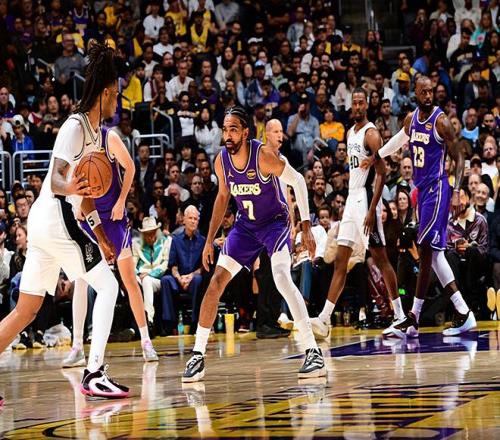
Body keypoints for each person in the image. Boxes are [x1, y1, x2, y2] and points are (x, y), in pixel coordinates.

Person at [0, 42, 129, 405]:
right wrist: (71, 186)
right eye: (116, 94)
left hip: (45, 223)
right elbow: (57, 178)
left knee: (26, 310)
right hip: (55, 215)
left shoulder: (95, 134)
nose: (118, 101)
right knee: (108, 287)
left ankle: (94, 371)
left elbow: (86, 198)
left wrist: (101, 235)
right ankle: (95, 373)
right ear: (106, 92)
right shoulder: (75, 126)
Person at [182, 106, 325, 383]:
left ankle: (312, 351)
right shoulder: (221, 161)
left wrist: (306, 226)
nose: (228, 135)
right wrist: (209, 240)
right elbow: (222, 197)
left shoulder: (263, 156)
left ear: (246, 132)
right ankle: (197, 354)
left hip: (275, 223)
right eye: (225, 130)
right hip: (246, 227)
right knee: (216, 282)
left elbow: (298, 180)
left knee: (281, 276)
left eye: (233, 130)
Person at [373, 76, 476, 338]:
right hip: (422, 192)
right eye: (424, 92)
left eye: (431, 92)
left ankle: (413, 317)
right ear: (416, 94)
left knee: (425, 249)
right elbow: (398, 140)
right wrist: (377, 155)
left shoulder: (441, 122)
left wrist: (456, 191)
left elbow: (459, 156)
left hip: (438, 189)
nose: (428, 96)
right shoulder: (411, 120)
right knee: (436, 255)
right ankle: (464, 312)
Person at [309, 88, 405, 339]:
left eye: (362, 102)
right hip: (352, 200)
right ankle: (324, 319)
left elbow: (382, 173)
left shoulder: (371, 134)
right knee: (341, 260)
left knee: (380, 258)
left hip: (366, 199)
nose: (358, 106)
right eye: (355, 103)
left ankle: (400, 315)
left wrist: (372, 209)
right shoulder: (350, 132)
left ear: (367, 106)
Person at [62, 126, 159, 369]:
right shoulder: (76, 146)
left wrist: (121, 201)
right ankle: (77, 346)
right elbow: (78, 189)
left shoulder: (109, 138)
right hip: (90, 218)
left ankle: (146, 340)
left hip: (115, 218)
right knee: (80, 281)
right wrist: (80, 207)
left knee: (129, 279)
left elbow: (131, 168)